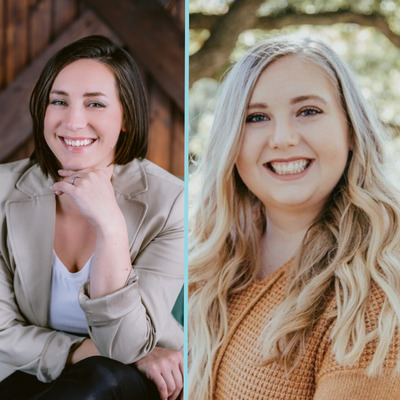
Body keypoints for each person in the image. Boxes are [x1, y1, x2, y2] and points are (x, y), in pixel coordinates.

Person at [188, 36, 400, 400]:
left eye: (308, 111)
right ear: (231, 143)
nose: (283, 138)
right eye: (256, 117)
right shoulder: (205, 263)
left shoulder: (377, 291)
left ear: (351, 130)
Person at [0, 35, 184, 400]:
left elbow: (126, 346)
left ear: (126, 118)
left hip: (128, 383)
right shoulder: (3, 190)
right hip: (25, 369)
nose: (73, 121)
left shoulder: (172, 201)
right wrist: (82, 351)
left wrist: (110, 226)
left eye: (95, 104)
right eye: (59, 102)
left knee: (99, 380)